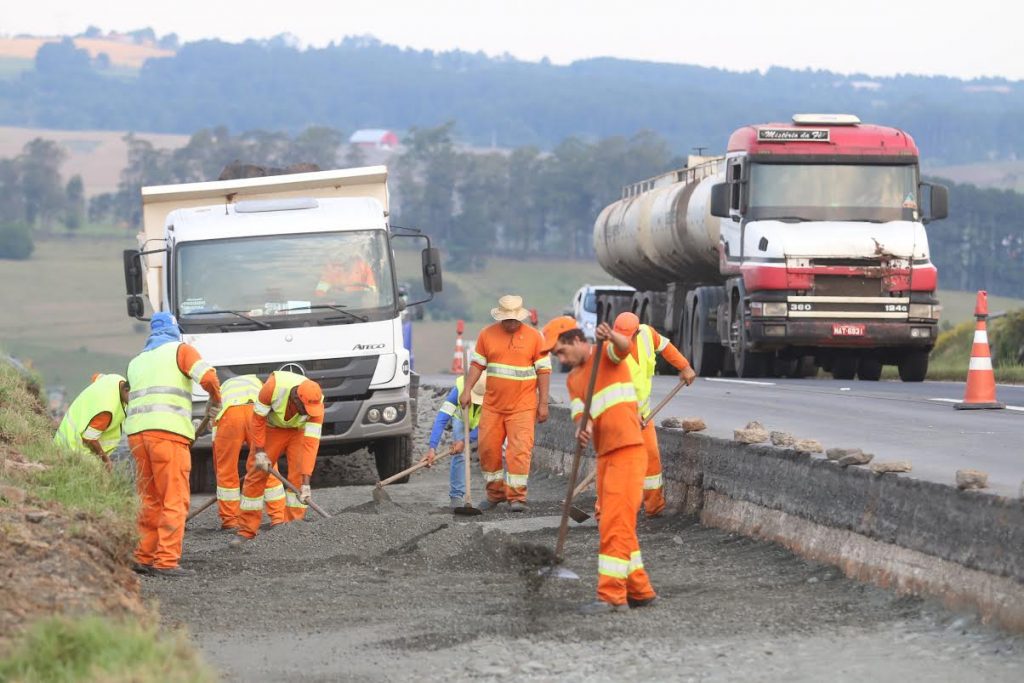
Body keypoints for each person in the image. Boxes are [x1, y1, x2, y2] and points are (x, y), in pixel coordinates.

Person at [544, 316, 657, 614]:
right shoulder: (573, 380)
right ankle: (640, 591)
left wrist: (612, 336)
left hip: (629, 451)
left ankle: (611, 596)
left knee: (615, 526)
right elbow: (581, 414)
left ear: (575, 340)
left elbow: (625, 348)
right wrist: (583, 428)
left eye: (560, 351)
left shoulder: (605, 353)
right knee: (614, 523)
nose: (560, 358)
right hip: (605, 455)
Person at [126, 312, 221, 578]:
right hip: (167, 435)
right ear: (175, 330)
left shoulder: (137, 361)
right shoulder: (181, 350)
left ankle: (143, 556)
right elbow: (209, 377)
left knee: (149, 498)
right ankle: (166, 561)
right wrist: (216, 398)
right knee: (174, 498)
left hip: (137, 436)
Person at [460, 295, 551, 512]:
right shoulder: (487, 335)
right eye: (507, 319)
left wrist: (544, 403)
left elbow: (544, 372)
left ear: (520, 318)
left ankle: (517, 497)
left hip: (523, 406)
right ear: (501, 318)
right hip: (492, 406)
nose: (511, 323)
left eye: (514, 319)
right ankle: (495, 494)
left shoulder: (535, 338)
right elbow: (477, 365)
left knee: (519, 452)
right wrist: (466, 390)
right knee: (488, 450)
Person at [606, 312, 696, 517]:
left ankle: (654, 506)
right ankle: (605, 512)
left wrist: (684, 366)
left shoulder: (647, 334)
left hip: (644, 415)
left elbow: (666, 348)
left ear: (637, 332)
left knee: (651, 458)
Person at [230, 371, 324, 546]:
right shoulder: (272, 387)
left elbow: (310, 445)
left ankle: (294, 528)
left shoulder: (316, 405)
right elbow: (257, 420)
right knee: (256, 475)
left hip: (298, 432)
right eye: (305, 408)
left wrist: (306, 483)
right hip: (271, 429)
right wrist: (259, 451)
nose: (308, 412)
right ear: (296, 398)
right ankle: (246, 531)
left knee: (297, 478)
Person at [211, 374, 286, 531]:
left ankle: (231, 520)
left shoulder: (220, 390)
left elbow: (215, 442)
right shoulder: (259, 383)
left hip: (229, 417)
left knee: (226, 470)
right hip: (255, 413)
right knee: (267, 465)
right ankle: (278, 517)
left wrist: (220, 466)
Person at [421, 372, 487, 511]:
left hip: (483, 422)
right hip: (461, 418)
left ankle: (496, 494)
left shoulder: (493, 394)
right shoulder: (458, 390)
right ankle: (456, 496)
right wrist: (432, 448)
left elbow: (485, 427)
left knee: (491, 450)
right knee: (459, 454)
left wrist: (465, 441)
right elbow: (441, 419)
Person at [53, 372, 130, 470]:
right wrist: (105, 459)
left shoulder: (116, 379)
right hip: (74, 448)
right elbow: (89, 438)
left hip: (66, 435)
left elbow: (96, 376)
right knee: (98, 477)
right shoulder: (107, 410)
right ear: (126, 390)